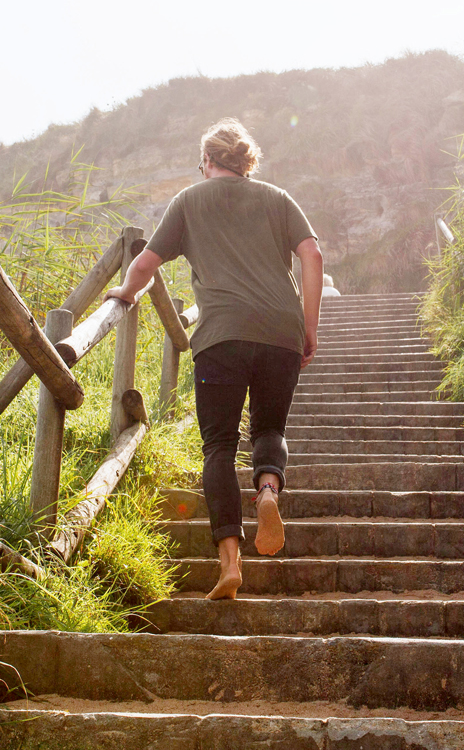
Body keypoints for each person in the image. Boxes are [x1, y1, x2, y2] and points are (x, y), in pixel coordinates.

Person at [105, 118, 323, 600]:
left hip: (221, 336)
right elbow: (312, 255)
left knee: (219, 447)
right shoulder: (278, 199)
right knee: (269, 430)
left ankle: (230, 562)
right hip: (279, 333)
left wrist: (123, 292)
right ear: (247, 162)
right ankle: (268, 491)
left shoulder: (188, 200)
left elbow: (145, 264)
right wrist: (308, 327)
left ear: (207, 161)